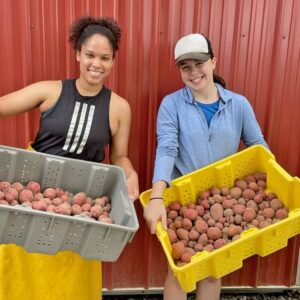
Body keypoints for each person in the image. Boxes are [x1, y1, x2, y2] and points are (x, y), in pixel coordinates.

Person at [0, 16, 139, 300]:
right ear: (77, 54)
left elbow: (120, 157)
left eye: (104, 57)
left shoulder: (119, 108)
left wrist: (130, 173)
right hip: (35, 198)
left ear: (113, 61)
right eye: (89, 55)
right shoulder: (49, 91)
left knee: (72, 277)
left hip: (82, 209)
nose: (96, 64)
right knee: (28, 268)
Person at [143, 33, 268, 300]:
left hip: (222, 201)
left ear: (213, 61)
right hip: (184, 201)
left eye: (199, 63)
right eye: (185, 67)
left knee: (213, 271)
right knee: (180, 271)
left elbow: (258, 146)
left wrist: (274, 182)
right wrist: (156, 196)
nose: (193, 72)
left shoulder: (238, 104)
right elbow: (166, 149)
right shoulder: (172, 105)